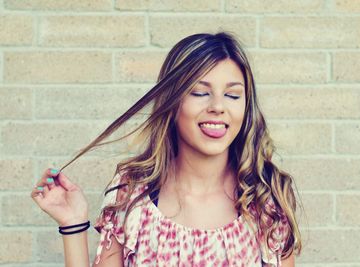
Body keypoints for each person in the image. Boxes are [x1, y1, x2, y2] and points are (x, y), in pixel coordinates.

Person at [31, 31, 302, 267]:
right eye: (199, 92)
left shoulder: (267, 200)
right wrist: (72, 223)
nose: (218, 106)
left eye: (232, 95)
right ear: (172, 103)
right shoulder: (131, 193)